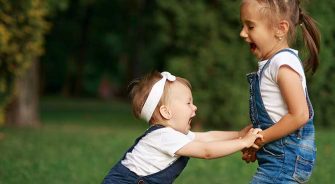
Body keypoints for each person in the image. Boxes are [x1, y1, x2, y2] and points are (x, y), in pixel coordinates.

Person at [102, 71, 263, 184]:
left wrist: (239, 134)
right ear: (166, 112)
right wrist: (243, 143)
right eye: (188, 103)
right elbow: (206, 151)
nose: (195, 108)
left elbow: (208, 137)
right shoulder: (164, 137)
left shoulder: (173, 135)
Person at [239, 0, 320, 183]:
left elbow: (299, 115)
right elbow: (277, 116)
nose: (242, 33)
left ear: (280, 29)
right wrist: (255, 141)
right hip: (278, 161)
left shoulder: (282, 64)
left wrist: (259, 139)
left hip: (285, 162)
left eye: (250, 26)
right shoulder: (273, 64)